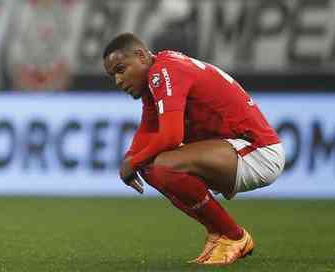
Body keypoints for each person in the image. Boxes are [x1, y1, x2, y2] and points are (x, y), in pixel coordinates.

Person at [102, 32, 285, 265]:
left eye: (121, 69)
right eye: (112, 75)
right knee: (152, 168)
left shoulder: (164, 72)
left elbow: (171, 136)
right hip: (229, 150)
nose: (118, 81)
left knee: (163, 165)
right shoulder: (156, 76)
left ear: (140, 56)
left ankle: (234, 236)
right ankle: (219, 233)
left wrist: (133, 162)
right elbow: (148, 129)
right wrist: (131, 158)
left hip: (258, 151)